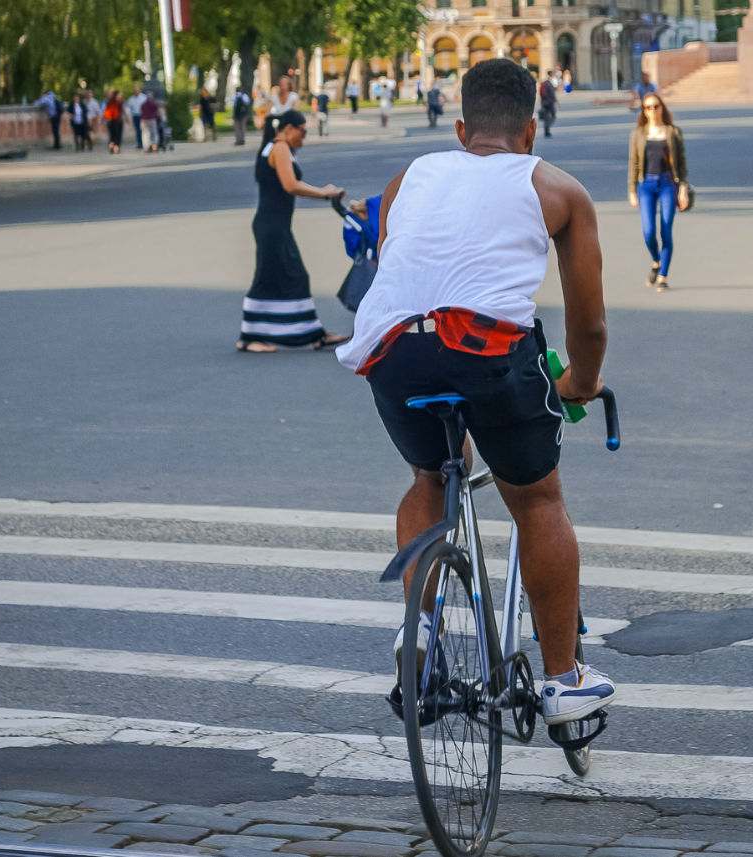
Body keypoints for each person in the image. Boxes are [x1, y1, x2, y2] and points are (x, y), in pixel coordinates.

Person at [335, 58, 616, 727]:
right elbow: (591, 321)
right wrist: (581, 379)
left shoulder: (409, 178)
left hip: (390, 345)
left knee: (428, 476)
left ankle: (420, 627)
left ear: (461, 128)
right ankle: (560, 678)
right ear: (530, 132)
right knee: (538, 498)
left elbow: (403, 266)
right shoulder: (556, 188)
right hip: (487, 349)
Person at [237, 110, 348, 353]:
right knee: (271, 278)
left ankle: (314, 334)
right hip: (272, 225)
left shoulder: (272, 147)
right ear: (288, 128)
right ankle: (248, 338)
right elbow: (291, 185)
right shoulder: (280, 148)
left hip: (272, 224)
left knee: (291, 276)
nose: (304, 137)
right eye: (303, 131)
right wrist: (324, 192)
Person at [627, 92, 688, 292]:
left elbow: (681, 163)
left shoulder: (673, 132)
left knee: (666, 230)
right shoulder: (638, 134)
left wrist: (683, 189)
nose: (652, 111)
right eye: (648, 108)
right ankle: (656, 261)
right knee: (648, 233)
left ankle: (663, 276)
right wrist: (632, 191)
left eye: (655, 106)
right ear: (644, 111)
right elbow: (634, 164)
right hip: (646, 186)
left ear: (662, 107)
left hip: (667, 184)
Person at [538, 69, 558, 137]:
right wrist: (548, 99)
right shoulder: (547, 83)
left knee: (550, 116)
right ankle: (547, 129)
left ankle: (547, 129)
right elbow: (545, 93)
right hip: (548, 102)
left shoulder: (549, 82)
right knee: (551, 116)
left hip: (548, 101)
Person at [126, 84, 147, 149]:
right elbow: (128, 108)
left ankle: (145, 143)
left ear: (139, 90)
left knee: (144, 130)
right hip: (135, 116)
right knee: (138, 130)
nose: (136, 92)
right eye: (135, 90)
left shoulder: (144, 97)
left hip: (143, 115)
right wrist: (129, 115)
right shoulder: (131, 99)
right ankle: (140, 144)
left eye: (137, 90)